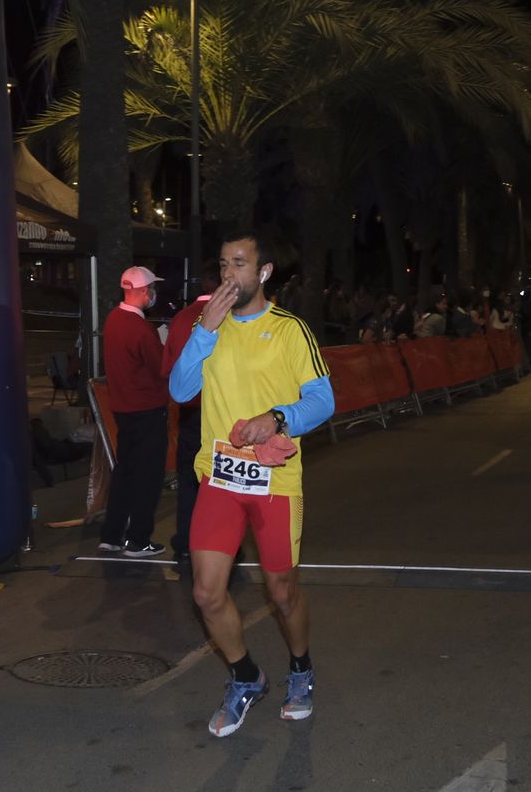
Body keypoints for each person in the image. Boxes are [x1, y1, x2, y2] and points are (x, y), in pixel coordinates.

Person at [169, 231, 334, 738]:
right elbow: (180, 389)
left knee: (282, 593)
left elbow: (323, 400)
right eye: (223, 264)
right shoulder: (208, 326)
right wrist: (205, 330)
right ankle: (246, 677)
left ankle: (301, 667)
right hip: (219, 477)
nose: (228, 274)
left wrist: (278, 418)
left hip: (275, 482)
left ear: (263, 272)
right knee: (205, 593)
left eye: (239, 263)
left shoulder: (289, 330)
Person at [100, 266, 171, 557]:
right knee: (149, 477)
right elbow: (161, 369)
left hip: (122, 408)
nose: (154, 294)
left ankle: (112, 535)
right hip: (148, 409)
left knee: (124, 472)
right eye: (152, 289)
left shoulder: (113, 320)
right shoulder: (142, 329)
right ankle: (139, 539)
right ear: (143, 291)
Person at [161, 264, 222, 564]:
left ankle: (186, 542)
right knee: (221, 483)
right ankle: (221, 546)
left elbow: (167, 368)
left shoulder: (181, 318)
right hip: (221, 413)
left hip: (191, 414)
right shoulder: (232, 319)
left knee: (188, 481)